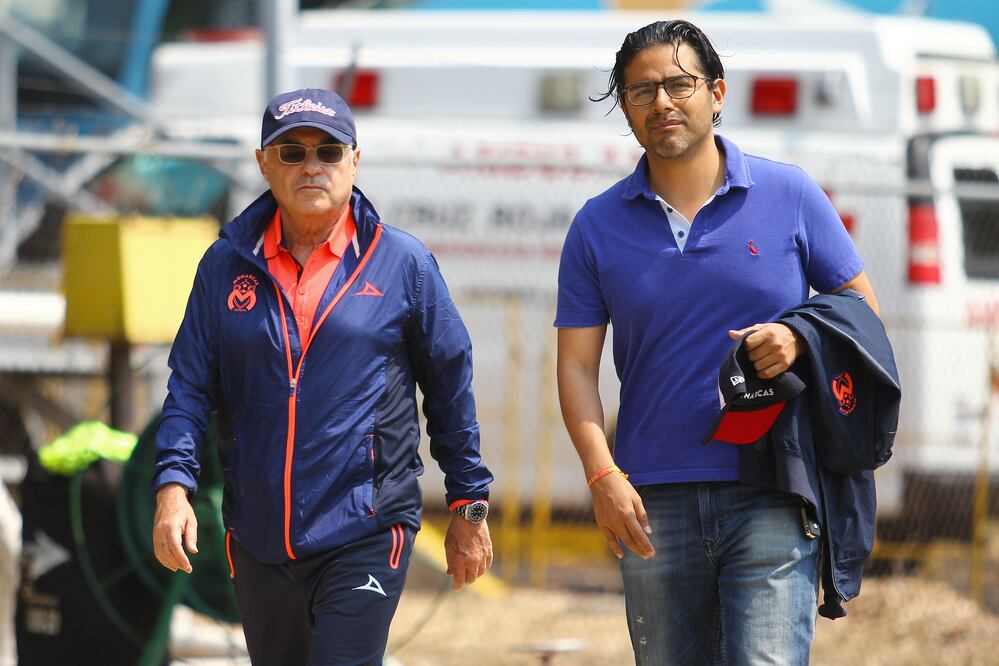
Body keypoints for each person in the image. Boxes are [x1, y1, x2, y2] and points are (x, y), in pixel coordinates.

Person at [555, 20, 880, 666]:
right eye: (641, 90)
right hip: (650, 501)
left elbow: (863, 313)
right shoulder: (595, 226)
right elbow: (575, 368)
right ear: (625, 108)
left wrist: (798, 337)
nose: (662, 102)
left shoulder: (789, 195)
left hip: (772, 490)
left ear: (717, 92)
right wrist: (601, 475)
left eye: (679, 84)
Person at [151, 88, 493, 666]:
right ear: (264, 164)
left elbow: (450, 386)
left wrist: (469, 505)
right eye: (292, 152)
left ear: (354, 161)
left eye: (328, 151)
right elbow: (188, 388)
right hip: (258, 538)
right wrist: (172, 489)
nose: (312, 166)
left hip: (366, 529)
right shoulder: (223, 266)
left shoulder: (403, 264)